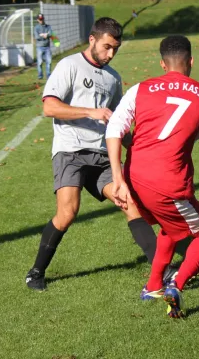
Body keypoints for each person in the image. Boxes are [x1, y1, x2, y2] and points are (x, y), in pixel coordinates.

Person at [25, 17, 165, 292]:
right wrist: (89, 111)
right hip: (71, 151)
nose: (110, 54)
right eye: (107, 47)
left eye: (115, 49)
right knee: (68, 212)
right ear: (92, 40)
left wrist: (137, 145)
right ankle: (36, 272)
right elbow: (50, 107)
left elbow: (117, 123)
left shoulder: (113, 78)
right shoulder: (69, 65)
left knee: (129, 203)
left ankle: (163, 268)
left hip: (101, 155)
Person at [106, 35, 199, 319]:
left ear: (162, 64)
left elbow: (114, 131)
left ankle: (153, 285)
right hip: (169, 181)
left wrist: (118, 180)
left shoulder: (140, 89)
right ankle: (175, 285)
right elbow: (195, 135)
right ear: (191, 62)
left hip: (134, 176)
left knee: (169, 227)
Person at [35, 14, 53, 80]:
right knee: (40, 62)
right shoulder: (36, 28)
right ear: (37, 20)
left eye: (42, 19)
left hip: (47, 47)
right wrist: (44, 35)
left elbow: (51, 33)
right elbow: (37, 37)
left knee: (49, 61)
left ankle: (48, 75)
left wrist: (45, 35)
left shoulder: (48, 26)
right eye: (40, 19)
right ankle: (40, 75)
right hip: (39, 47)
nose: (41, 21)